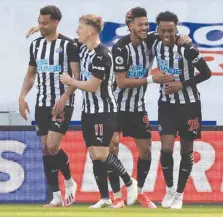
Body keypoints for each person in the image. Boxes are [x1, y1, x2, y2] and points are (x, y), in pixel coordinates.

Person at [60, 14, 138, 207]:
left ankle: (130, 182)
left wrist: (70, 82)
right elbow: (66, 40)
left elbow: (93, 86)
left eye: (80, 27)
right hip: (88, 111)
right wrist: (42, 29)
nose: (77, 30)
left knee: (102, 153)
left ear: (91, 30)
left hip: (104, 110)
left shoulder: (102, 55)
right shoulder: (83, 49)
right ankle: (104, 198)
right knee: (94, 155)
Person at [149, 11, 211, 209]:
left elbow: (206, 73)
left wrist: (182, 84)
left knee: (186, 150)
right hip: (166, 104)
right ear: (157, 29)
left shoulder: (186, 47)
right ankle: (169, 189)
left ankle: (180, 194)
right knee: (166, 148)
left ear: (176, 29)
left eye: (171, 30)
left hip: (190, 105)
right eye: (163, 31)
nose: (167, 35)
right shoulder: (153, 41)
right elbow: (133, 33)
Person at [19, 5, 78, 207]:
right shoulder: (36, 46)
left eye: (45, 23)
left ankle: (70, 181)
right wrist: (22, 96)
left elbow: (76, 76)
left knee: (53, 145)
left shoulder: (69, 45)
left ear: (55, 22)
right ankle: (56, 196)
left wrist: (65, 96)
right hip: (42, 103)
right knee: (45, 149)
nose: (41, 26)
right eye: (39, 23)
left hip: (63, 102)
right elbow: (31, 74)